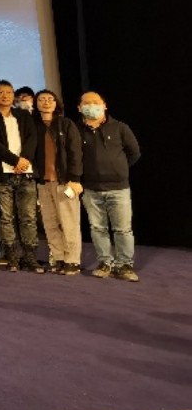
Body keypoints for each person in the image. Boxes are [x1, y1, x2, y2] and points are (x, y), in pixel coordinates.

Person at [77, 91, 141, 281]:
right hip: (91, 189)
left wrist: (117, 169)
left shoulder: (120, 127)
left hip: (119, 188)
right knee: (98, 228)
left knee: (123, 229)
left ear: (104, 105)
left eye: (95, 102)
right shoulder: (76, 130)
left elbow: (134, 153)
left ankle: (125, 265)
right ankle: (105, 262)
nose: (91, 106)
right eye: (86, 103)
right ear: (79, 108)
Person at [0, 80, 41, 273]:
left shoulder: (23, 115)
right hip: (2, 174)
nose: (5, 95)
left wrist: (24, 160)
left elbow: (32, 138)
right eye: (0, 92)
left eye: (8, 92)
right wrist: (15, 160)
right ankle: (12, 256)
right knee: (5, 218)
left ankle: (30, 257)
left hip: (26, 172)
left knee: (28, 217)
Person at [31, 90, 84, 275]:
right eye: (41, 99)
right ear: (36, 104)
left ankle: (72, 260)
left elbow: (75, 153)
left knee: (69, 222)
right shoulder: (33, 126)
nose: (46, 102)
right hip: (43, 182)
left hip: (64, 181)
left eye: (50, 99)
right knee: (50, 223)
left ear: (56, 103)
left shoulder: (66, 124)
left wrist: (75, 179)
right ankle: (59, 258)